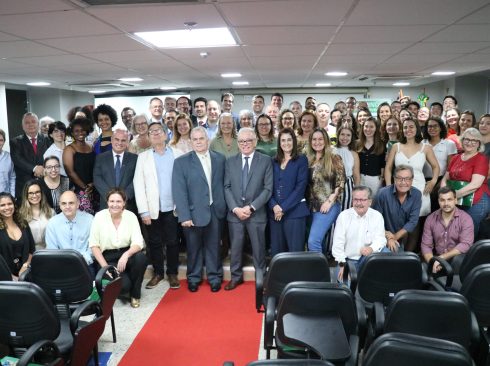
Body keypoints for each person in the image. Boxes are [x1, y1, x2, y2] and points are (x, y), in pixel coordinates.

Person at [172, 127, 227, 292]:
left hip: (216, 210)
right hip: (193, 213)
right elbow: (179, 191)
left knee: (214, 247)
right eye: (194, 139)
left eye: (201, 139)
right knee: (193, 248)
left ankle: (215, 277)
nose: (198, 142)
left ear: (207, 140)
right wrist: (184, 216)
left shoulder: (220, 159)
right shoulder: (181, 162)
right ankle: (194, 278)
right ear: (191, 142)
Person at [224, 127, 273, 290]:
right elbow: (227, 187)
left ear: (255, 141)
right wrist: (235, 209)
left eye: (248, 140)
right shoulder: (230, 161)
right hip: (235, 214)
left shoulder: (265, 160)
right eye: (241, 141)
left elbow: (268, 189)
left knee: (259, 249)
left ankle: (262, 279)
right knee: (236, 248)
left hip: (256, 213)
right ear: (238, 143)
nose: (245, 144)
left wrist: (251, 208)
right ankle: (236, 277)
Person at [134, 122, 180, 290]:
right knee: (154, 242)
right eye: (151, 131)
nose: (155, 133)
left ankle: (173, 273)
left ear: (165, 134)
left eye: (158, 131)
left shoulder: (177, 153)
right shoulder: (143, 157)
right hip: (152, 209)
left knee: (173, 241)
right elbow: (138, 185)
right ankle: (158, 273)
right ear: (148, 136)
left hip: (173, 207)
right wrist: (143, 211)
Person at [90, 188, 147, 308]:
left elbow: (138, 242)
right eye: (112, 201)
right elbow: (94, 245)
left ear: (124, 203)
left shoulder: (131, 216)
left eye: (118, 201)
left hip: (127, 254)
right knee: (124, 287)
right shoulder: (99, 217)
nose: (115, 205)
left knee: (141, 258)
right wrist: (105, 267)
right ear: (107, 202)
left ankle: (135, 295)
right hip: (107, 257)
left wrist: (126, 255)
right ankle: (127, 283)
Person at [385, 117, 440, 218]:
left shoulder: (426, 148)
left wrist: (433, 181)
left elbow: (436, 166)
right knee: (400, 220)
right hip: (399, 188)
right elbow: (388, 168)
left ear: (417, 129)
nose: (408, 129)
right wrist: (389, 187)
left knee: (417, 222)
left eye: (411, 127)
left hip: (419, 189)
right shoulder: (396, 146)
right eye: (405, 127)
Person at [268, 128, 309, 256]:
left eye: (289, 140)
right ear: (279, 143)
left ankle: (296, 276)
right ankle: (279, 277)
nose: (286, 143)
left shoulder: (301, 160)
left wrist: (282, 208)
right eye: (283, 140)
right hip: (275, 214)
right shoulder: (273, 161)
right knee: (277, 253)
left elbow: (300, 188)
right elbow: (267, 186)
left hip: (295, 213)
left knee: (295, 253)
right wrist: (274, 206)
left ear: (294, 141)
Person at [441, 128, 490, 234]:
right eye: (467, 139)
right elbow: (445, 178)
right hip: (456, 199)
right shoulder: (456, 157)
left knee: (466, 232)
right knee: (452, 230)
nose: (470, 142)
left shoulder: (481, 159)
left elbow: (475, 185)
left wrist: (452, 196)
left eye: (474, 140)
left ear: (479, 144)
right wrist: (444, 192)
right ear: (462, 141)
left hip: (476, 200)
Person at [332, 185, 387, 280]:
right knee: (345, 290)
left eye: (362, 200)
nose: (358, 203)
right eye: (356, 199)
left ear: (370, 201)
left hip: (368, 259)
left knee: (386, 252)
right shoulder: (343, 216)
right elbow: (337, 245)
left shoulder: (377, 216)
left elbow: (381, 239)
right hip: (348, 261)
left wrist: (371, 248)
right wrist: (342, 265)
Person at [306, 128, 345, 253]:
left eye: (320, 139)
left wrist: (329, 202)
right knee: (319, 241)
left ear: (326, 140)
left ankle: (318, 272)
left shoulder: (334, 158)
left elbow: (340, 183)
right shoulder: (308, 159)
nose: (317, 142)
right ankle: (323, 268)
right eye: (314, 139)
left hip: (328, 204)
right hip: (310, 206)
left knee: (313, 241)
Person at [421, 186, 474, 274]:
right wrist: (432, 261)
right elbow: (426, 246)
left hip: (458, 259)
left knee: (458, 261)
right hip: (437, 259)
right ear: (438, 201)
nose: (446, 203)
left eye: (449, 199)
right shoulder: (430, 219)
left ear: (455, 200)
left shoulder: (466, 219)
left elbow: (466, 244)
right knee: (421, 269)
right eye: (442, 200)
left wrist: (441, 258)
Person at [373, 165, 422, 252]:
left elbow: (413, 221)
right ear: (394, 179)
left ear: (412, 180)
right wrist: (388, 237)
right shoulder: (382, 194)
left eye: (407, 179)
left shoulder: (416, 194)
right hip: (384, 234)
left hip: (404, 235)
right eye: (399, 178)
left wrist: (394, 237)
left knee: (406, 259)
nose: (403, 182)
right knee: (393, 255)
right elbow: (375, 220)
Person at [45, 191, 95, 276]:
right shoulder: (52, 223)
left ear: (78, 204)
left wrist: (80, 261)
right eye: (64, 203)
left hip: (85, 264)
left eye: (71, 203)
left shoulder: (90, 220)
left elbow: (93, 247)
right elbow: (52, 249)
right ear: (60, 205)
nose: (67, 207)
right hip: (61, 265)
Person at [94, 129, 137, 212]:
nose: (119, 143)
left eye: (123, 140)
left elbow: (136, 180)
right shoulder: (100, 158)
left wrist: (123, 197)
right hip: (106, 204)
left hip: (127, 205)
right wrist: (111, 197)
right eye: (117, 139)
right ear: (111, 140)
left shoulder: (134, 158)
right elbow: (97, 178)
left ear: (127, 142)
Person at [10, 112, 50, 199]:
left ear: (38, 124)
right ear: (23, 126)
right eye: (27, 123)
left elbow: (51, 158)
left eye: (33, 121)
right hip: (24, 188)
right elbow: (17, 159)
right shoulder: (15, 142)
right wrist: (35, 168)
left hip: (45, 185)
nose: (30, 124)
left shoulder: (47, 139)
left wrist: (43, 169)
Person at [423, 116, 457, 212]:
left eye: (435, 126)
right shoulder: (422, 143)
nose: (432, 128)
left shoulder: (449, 144)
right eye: (429, 126)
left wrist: (440, 183)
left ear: (441, 127)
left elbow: (451, 167)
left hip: (441, 180)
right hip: (423, 181)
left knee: (437, 209)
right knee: (424, 210)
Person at [63, 117, 96, 214]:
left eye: (82, 130)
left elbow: (95, 168)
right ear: (72, 133)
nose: (80, 133)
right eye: (76, 131)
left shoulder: (90, 146)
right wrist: (86, 188)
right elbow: (70, 172)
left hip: (94, 189)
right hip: (79, 191)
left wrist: (93, 184)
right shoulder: (69, 149)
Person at [0, 192, 34, 279]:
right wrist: (12, 278)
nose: (7, 207)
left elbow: (31, 249)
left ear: (14, 205)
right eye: (2, 205)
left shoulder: (23, 223)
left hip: (26, 274)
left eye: (9, 204)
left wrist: (25, 266)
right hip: (5, 279)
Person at [18, 179, 54, 250]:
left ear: (41, 193)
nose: (34, 196)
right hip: (30, 254)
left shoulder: (51, 212)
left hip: (50, 252)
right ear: (26, 195)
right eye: (31, 193)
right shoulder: (21, 215)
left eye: (37, 192)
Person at [357, 117, 385, 198]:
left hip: (374, 180)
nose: (368, 129)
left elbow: (383, 164)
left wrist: (381, 179)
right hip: (359, 178)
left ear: (376, 128)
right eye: (366, 126)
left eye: (371, 127)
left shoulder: (381, 144)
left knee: (373, 203)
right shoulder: (357, 144)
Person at [336, 126, 361, 211]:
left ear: (352, 137)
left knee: (345, 211)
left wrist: (356, 194)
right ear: (338, 135)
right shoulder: (331, 150)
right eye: (342, 134)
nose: (345, 137)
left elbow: (356, 176)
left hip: (348, 185)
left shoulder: (354, 154)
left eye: (348, 135)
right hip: (332, 184)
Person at [0, 129, 15, 196]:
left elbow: (12, 177)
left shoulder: (9, 157)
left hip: (5, 197)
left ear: (4, 142)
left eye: (1, 140)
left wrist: (12, 196)